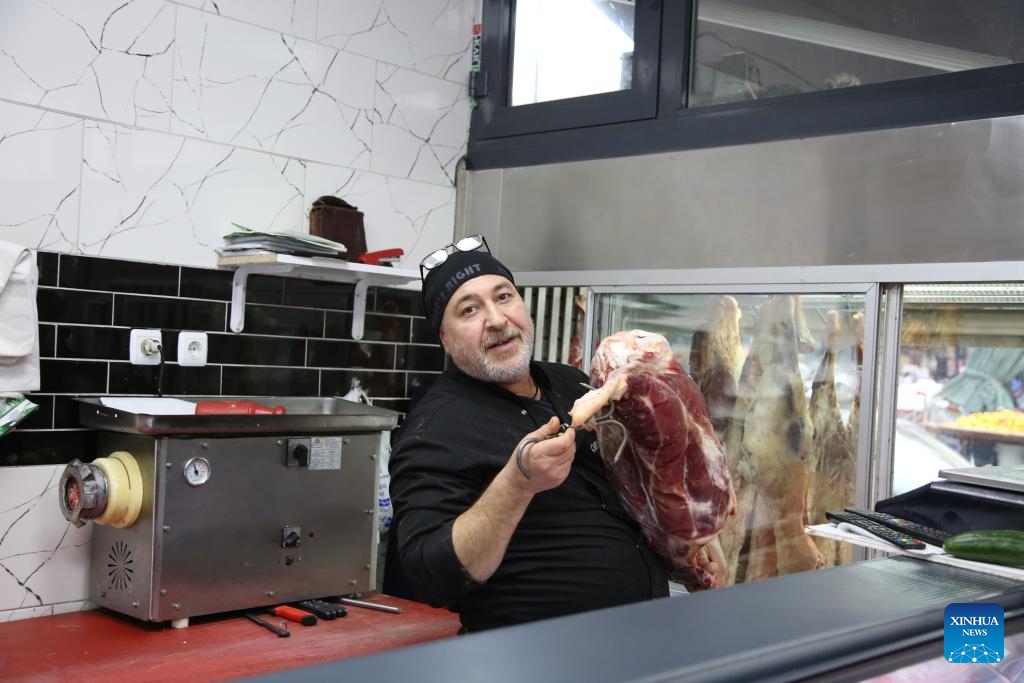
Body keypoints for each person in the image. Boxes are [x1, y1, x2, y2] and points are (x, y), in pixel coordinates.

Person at [388, 235, 668, 633]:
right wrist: (517, 485)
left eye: (504, 297)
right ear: (445, 340)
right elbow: (431, 576)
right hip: (534, 657)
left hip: (640, 638)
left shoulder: (569, 382)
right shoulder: (433, 430)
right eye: (469, 310)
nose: (497, 319)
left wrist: (688, 544)